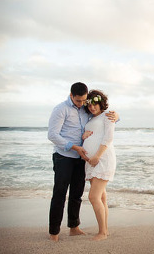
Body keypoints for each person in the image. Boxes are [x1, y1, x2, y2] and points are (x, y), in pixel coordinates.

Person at [47, 82, 118, 241]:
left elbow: (104, 122)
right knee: (60, 193)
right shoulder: (61, 109)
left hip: (83, 159)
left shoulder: (87, 110)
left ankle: (74, 227)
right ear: (71, 95)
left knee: (77, 194)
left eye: (84, 101)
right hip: (64, 156)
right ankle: (54, 232)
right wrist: (74, 146)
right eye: (79, 101)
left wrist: (117, 116)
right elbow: (52, 135)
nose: (83, 104)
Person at [82, 89, 116, 241]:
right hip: (91, 162)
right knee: (101, 198)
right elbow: (93, 134)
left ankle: (102, 232)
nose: (92, 108)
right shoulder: (89, 119)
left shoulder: (108, 116)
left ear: (101, 103)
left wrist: (96, 156)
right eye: (89, 105)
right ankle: (105, 231)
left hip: (102, 159)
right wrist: (83, 135)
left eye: (95, 104)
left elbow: (108, 138)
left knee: (93, 197)